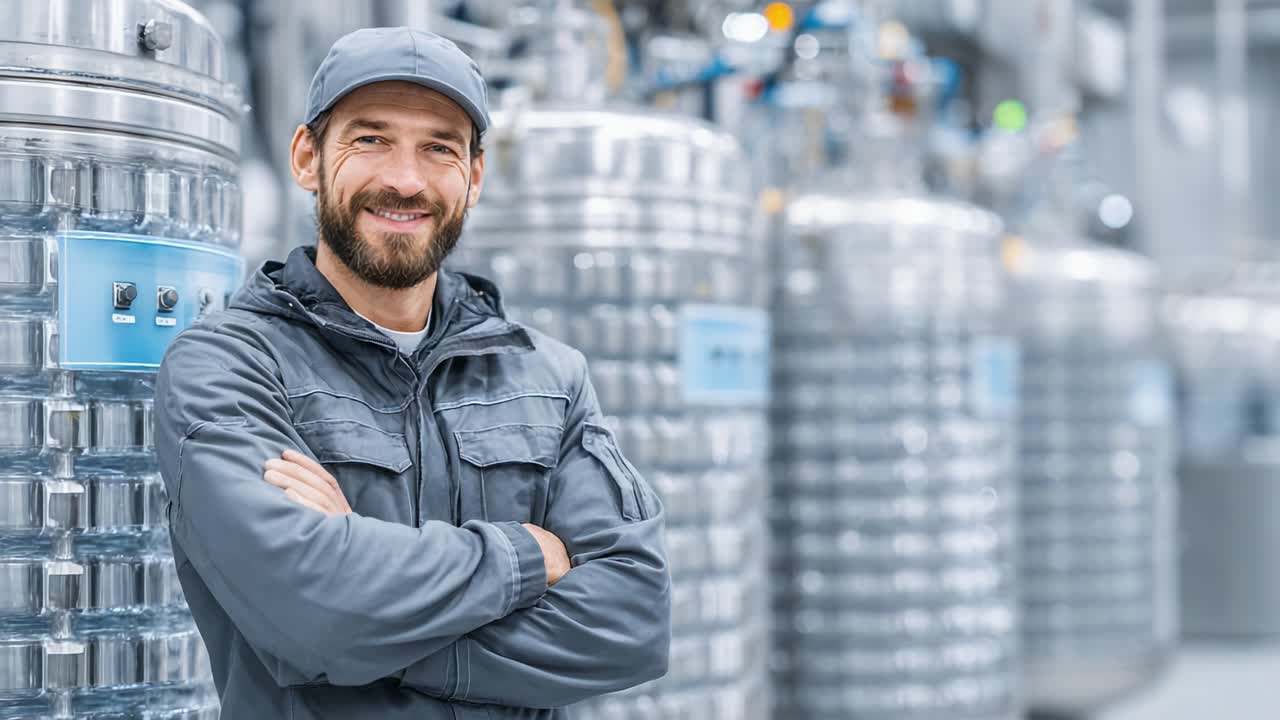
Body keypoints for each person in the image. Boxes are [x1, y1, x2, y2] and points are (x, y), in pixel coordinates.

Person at [154, 27, 670, 719]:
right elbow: (310, 612)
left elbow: (632, 622)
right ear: (309, 158)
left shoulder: (548, 376)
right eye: (370, 139)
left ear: (474, 177)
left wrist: (368, 641)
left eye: (439, 148)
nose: (405, 179)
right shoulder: (229, 366)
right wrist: (524, 557)